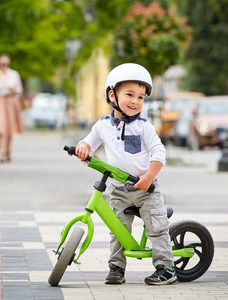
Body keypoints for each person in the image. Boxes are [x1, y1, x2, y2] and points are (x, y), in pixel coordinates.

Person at [75, 63, 176, 285]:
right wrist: (82, 147)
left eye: (140, 97)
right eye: (129, 94)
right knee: (117, 229)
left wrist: (149, 177)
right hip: (119, 189)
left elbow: (159, 153)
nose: (135, 101)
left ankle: (166, 267)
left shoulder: (143, 126)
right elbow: (89, 142)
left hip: (146, 189)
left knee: (156, 227)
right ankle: (116, 268)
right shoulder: (103, 125)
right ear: (112, 94)